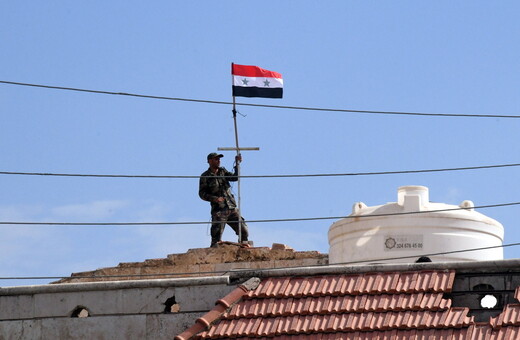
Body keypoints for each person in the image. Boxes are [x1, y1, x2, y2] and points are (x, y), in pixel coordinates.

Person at [199, 152, 249, 247]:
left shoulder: (223, 171)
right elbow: (202, 194)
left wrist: (237, 164)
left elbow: (235, 177)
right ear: (210, 161)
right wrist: (215, 199)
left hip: (231, 207)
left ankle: (244, 248)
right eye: (216, 159)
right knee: (216, 238)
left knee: (244, 231)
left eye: (219, 159)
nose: (219, 161)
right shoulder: (205, 176)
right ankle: (215, 255)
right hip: (219, 210)